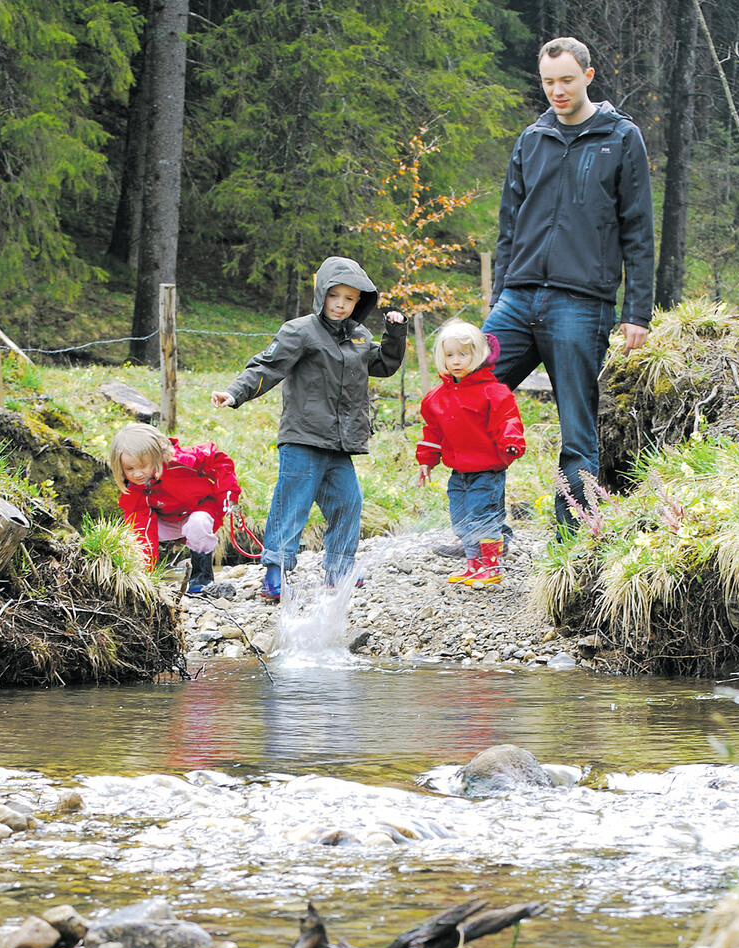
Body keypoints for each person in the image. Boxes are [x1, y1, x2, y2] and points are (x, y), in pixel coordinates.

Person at [481, 35, 654, 538]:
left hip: (582, 304)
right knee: (474, 401)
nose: (557, 91)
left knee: (578, 431)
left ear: (588, 77)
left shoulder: (621, 138)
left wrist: (636, 311)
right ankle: (484, 532)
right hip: (516, 299)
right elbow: (509, 226)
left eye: (566, 81)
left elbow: (638, 229)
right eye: (548, 82)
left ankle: (572, 542)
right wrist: (499, 299)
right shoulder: (531, 139)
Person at [211, 256, 407, 601]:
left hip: (340, 442)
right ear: (323, 295)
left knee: (349, 503)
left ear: (359, 301)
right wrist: (234, 393)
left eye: (350, 298)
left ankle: (339, 570)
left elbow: (384, 364)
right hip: (302, 438)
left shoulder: (360, 337)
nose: (342, 305)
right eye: (336, 296)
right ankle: (274, 575)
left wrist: (395, 332)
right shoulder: (301, 331)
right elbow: (266, 366)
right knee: (291, 506)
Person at [416, 320, 526, 586]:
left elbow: (508, 421)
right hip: (458, 471)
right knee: (462, 518)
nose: (456, 361)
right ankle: (472, 565)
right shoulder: (435, 398)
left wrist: (511, 442)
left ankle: (491, 566)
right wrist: (426, 461)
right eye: (450, 355)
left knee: (484, 515)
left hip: (488, 470)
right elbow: (433, 433)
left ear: (477, 355)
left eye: (463, 354)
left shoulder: (494, 392)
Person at [108, 423, 241, 594]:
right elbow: (141, 530)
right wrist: (143, 576)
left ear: (156, 457)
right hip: (169, 520)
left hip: (200, 509)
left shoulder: (182, 461)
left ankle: (201, 578)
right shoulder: (134, 490)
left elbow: (219, 461)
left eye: (143, 466)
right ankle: (145, 577)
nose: (137, 474)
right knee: (133, 534)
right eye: (130, 468)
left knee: (197, 524)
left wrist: (228, 495)